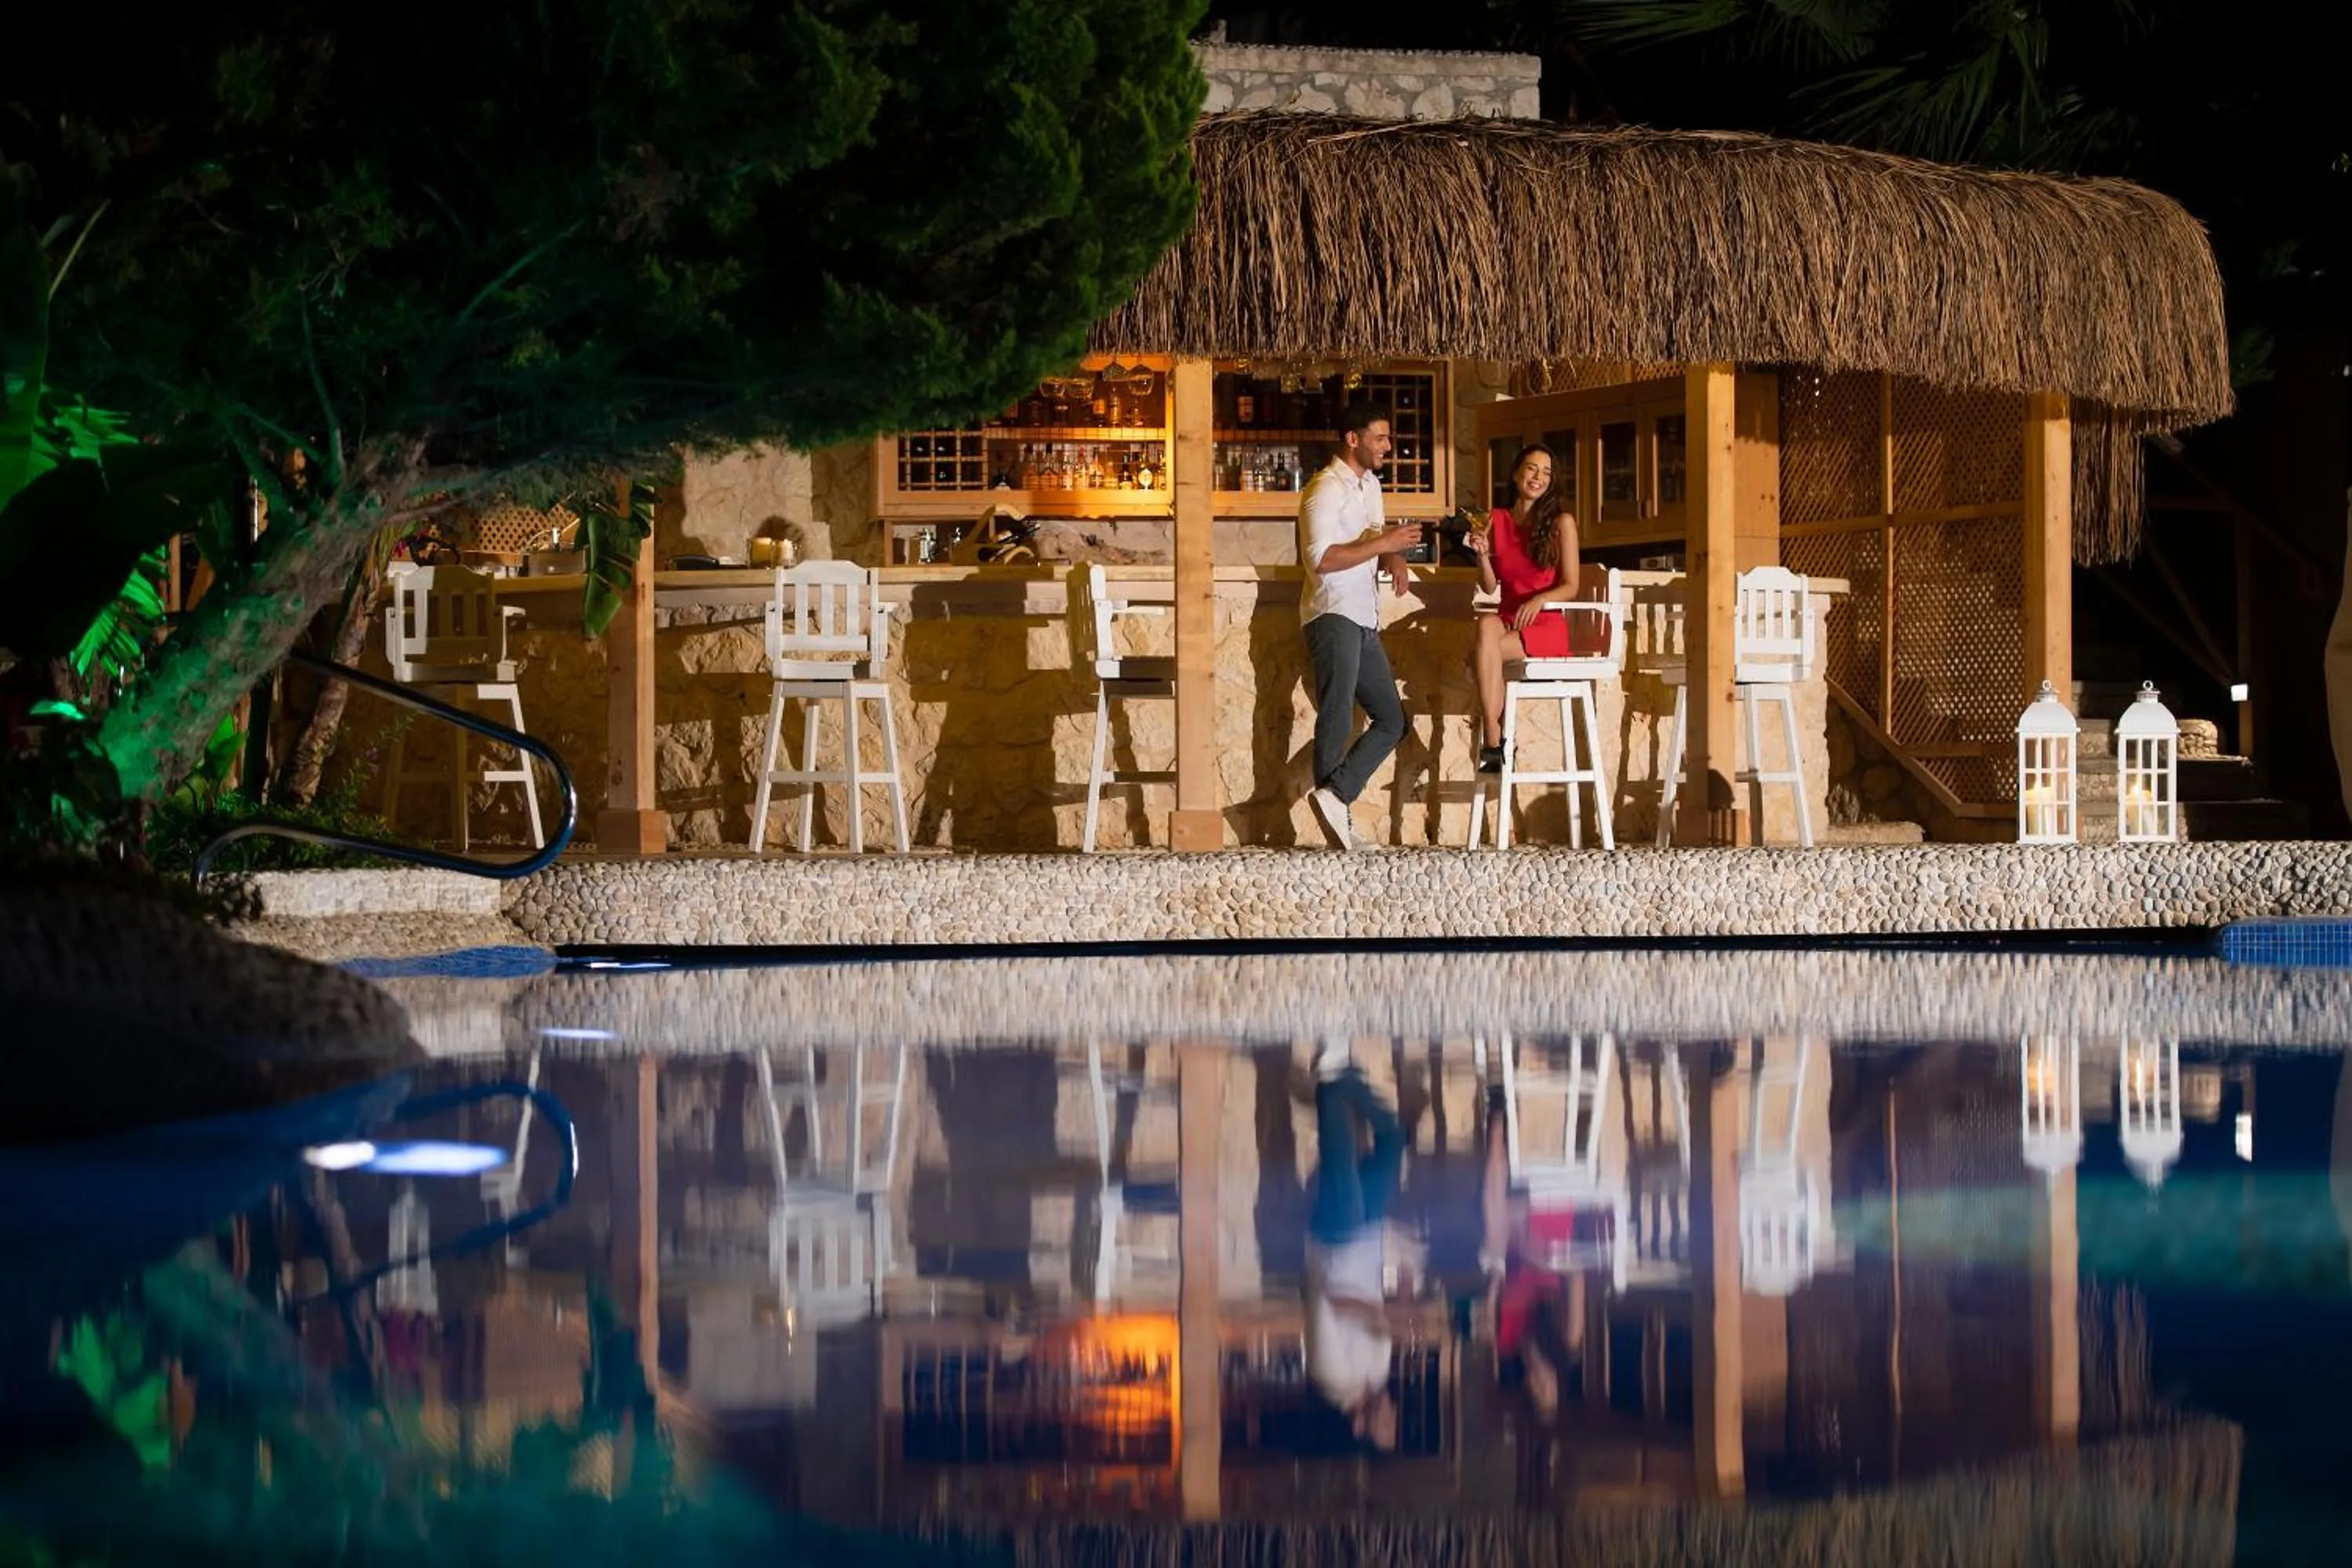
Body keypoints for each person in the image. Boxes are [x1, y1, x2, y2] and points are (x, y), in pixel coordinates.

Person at [1298, 401, 1425, 849]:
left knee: (1392, 719)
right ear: (1353, 440)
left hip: (1364, 615)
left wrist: (1395, 557)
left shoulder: (1369, 485)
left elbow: (1374, 536)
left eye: (1388, 438)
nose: (1389, 446)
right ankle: (1337, 815)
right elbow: (1321, 559)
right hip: (1332, 613)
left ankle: (1336, 795)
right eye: (1380, 438)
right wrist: (1386, 543)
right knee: (1336, 715)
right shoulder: (1324, 490)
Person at [1302, 1040, 1406, 1450]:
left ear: (1359, 1426)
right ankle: (1344, 1074)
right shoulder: (1378, 1376)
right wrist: (1404, 1293)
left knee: (1341, 1151)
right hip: (1368, 1237)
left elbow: (1326, 1301)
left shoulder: (1332, 1378)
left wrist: (1379, 1315)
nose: (1393, 1414)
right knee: (1394, 1140)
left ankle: (1332, 1075)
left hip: (1335, 1242)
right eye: (1394, 1422)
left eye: (1387, 1425)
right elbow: (1392, 1319)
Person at [1465, 443, 1586, 774]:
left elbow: (1572, 585)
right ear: (1517, 473)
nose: (1539, 477)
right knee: (1486, 626)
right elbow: (1491, 587)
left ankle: (1494, 740)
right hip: (1509, 618)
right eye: (1532, 468)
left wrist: (1539, 600)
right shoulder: (1496, 519)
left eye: (1547, 472)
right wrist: (1482, 555)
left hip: (1545, 622)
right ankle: (1496, 734)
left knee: (1481, 654)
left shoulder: (1562, 522)